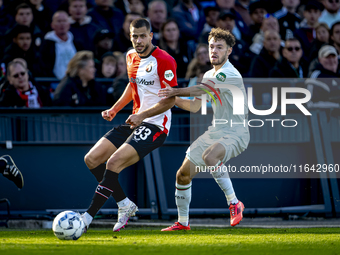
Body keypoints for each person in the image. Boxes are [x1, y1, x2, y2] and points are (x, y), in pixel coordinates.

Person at [80, 18, 177, 233]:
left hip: (156, 125)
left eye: (143, 36)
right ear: (130, 36)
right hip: (135, 120)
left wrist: (143, 115)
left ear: (151, 36)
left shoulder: (165, 60)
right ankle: (124, 203)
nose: (139, 40)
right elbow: (132, 85)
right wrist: (115, 108)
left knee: (113, 163)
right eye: (135, 36)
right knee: (92, 159)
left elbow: (171, 100)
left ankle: (86, 218)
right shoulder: (130, 56)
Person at [158, 27, 249, 231]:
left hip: (237, 132)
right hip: (216, 131)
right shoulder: (209, 73)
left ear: (229, 51)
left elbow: (204, 89)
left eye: (219, 47)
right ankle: (182, 223)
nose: (214, 51)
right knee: (182, 175)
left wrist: (175, 90)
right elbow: (196, 106)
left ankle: (234, 203)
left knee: (210, 157)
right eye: (211, 46)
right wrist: (173, 99)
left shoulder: (229, 73)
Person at [40, 11, 79, 79]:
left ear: (69, 24)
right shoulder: (46, 45)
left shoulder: (76, 42)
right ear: (52, 25)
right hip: (54, 82)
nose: (62, 24)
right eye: (58, 21)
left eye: (64, 21)